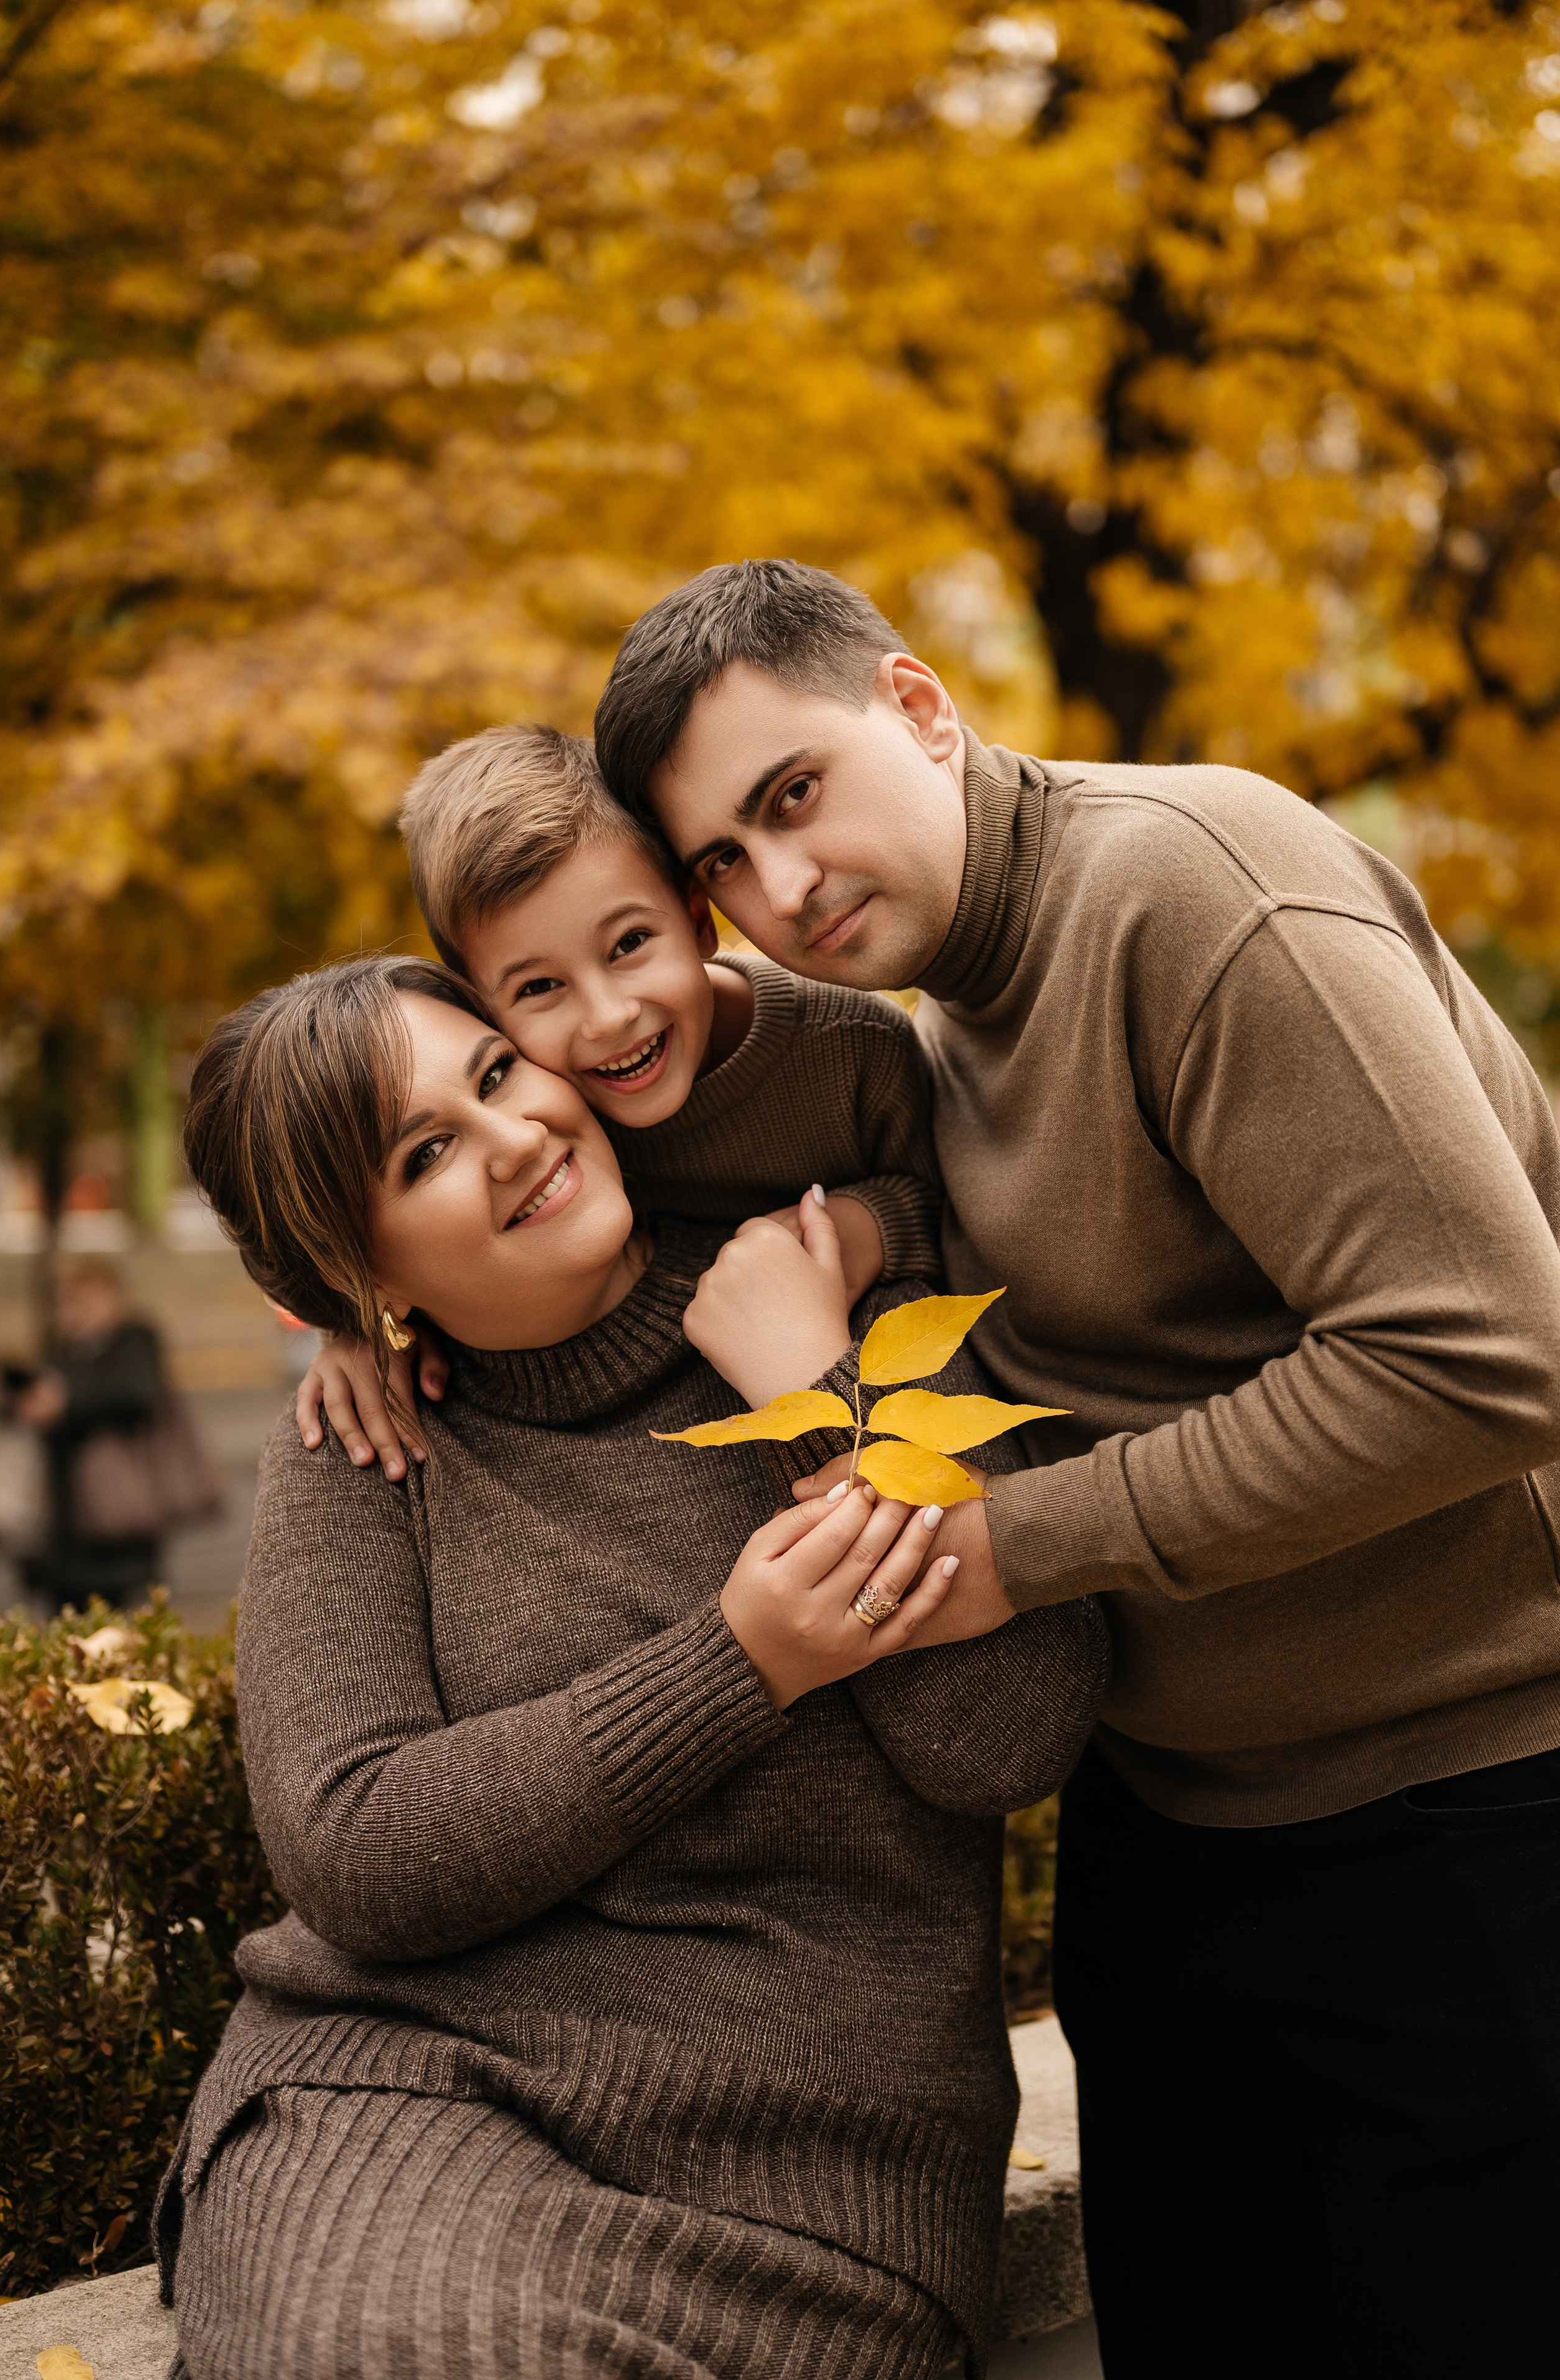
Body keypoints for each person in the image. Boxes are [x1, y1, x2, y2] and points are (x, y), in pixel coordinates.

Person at [589, 557, 1560, 2380]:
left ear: (918, 706)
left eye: (791, 794)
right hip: (1175, 1836)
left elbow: (1484, 1351)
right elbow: (592, 1090)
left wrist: (1016, 1545)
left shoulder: (1191, 885)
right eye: (719, 862)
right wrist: (372, 1293)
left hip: (1460, 1823)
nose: (777, 887)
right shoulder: (936, 995)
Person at [161, 952, 1107, 2380]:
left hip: (826, 2178)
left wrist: (813, 1397)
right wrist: (738, 1662)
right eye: (426, 1151)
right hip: (399, 2098)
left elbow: (1007, 1733)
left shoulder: (832, 1304)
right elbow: (350, 1844)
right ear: (363, 1277)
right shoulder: (362, 1452)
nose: (514, 1134)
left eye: (495, 1072)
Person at [294, 722, 939, 1480]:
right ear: (485, 1009)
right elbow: (438, 1244)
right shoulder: (549, 1105)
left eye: (629, 943)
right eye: (539, 988)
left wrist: (855, 1229)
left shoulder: (855, 1047)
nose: (606, 1018)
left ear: (699, 919)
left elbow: (960, 1210)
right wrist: (357, 1334)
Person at [15, 1259, 167, 1614]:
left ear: (112, 1299)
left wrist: (65, 1405)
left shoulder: (134, 1340)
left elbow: (137, 1394)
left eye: (83, 1300)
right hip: (63, 1523)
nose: (73, 1312)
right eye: (67, 1302)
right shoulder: (61, 1348)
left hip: (117, 1516)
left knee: (117, 1627)